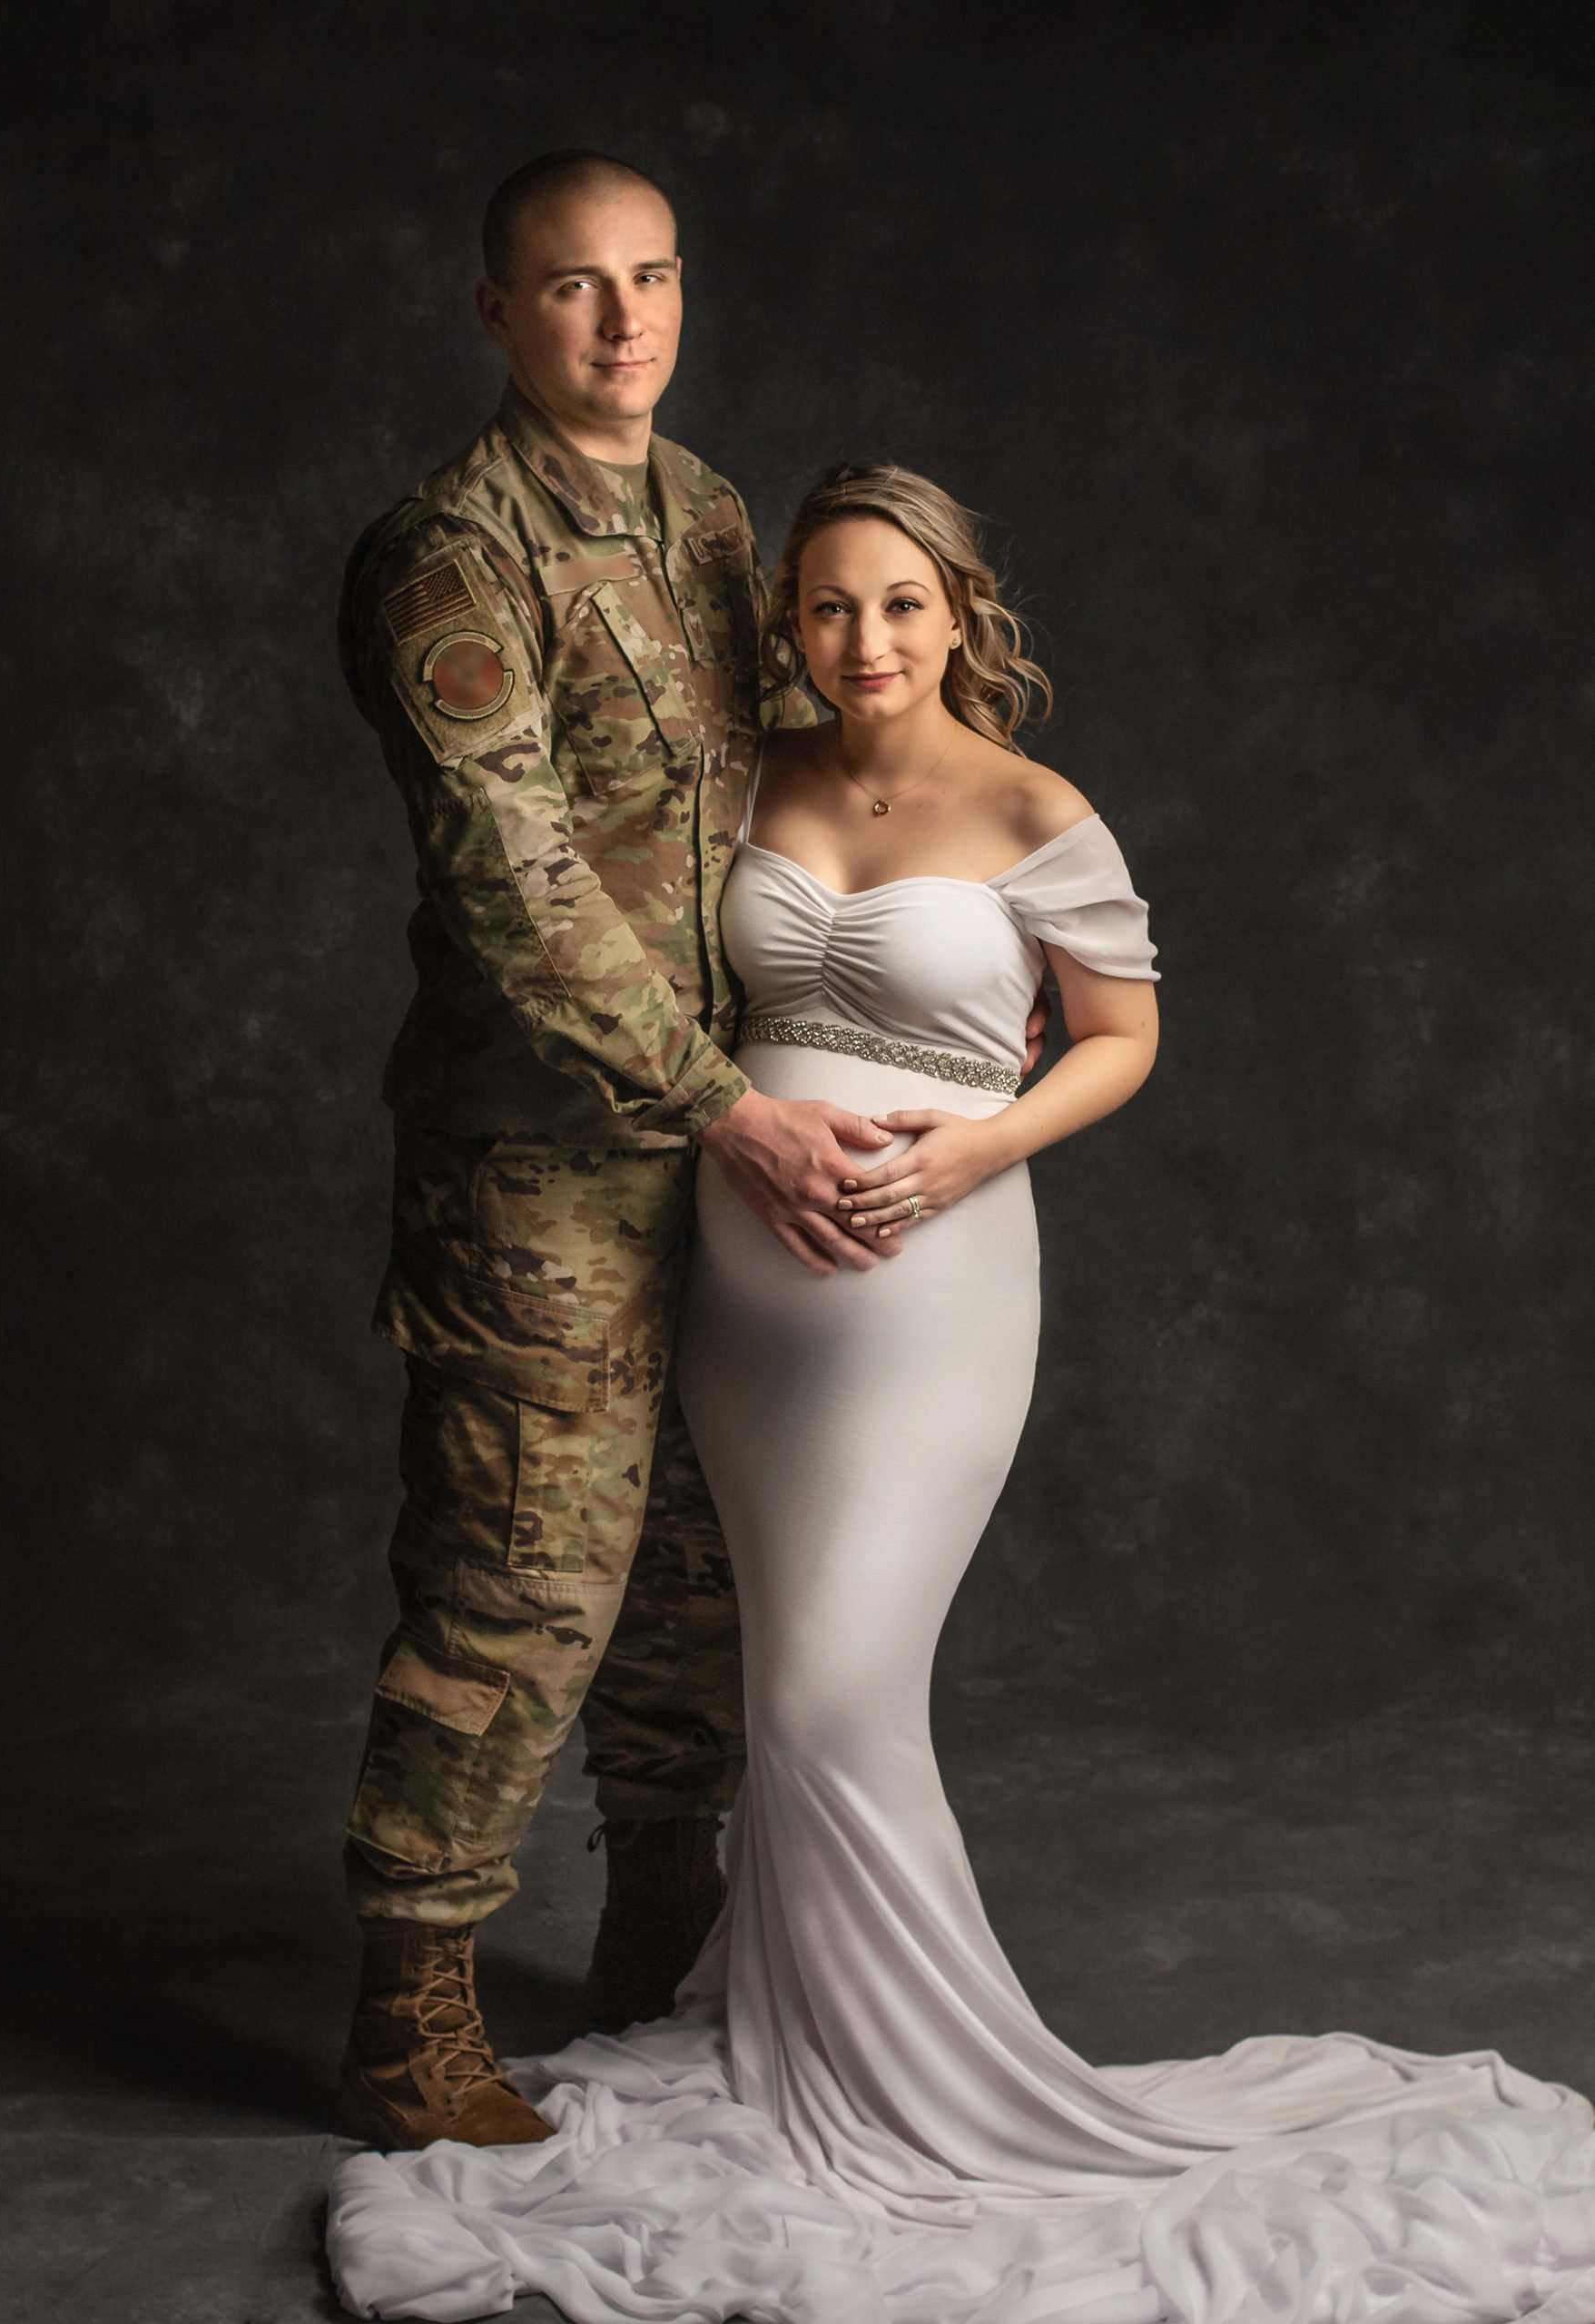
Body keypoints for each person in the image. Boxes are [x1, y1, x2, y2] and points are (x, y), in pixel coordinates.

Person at [328, 466, 1595, 2323]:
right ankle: (793, 2036)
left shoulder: (1028, 804)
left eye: (899, 604)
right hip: (741, 1288)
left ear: (958, 609)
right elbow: (627, 955)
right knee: (773, 1669)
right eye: (827, 606)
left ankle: (941, 2097)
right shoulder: (739, 779)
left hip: (932, 1278)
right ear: (789, 624)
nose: (863, 641)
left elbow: (1123, 1034)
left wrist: (970, 1147)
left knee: (844, 1683)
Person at [334, 151, 1051, 2152]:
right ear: (498, 312)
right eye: (574, 287)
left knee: (694, 1573)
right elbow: (521, 887)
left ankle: (664, 1925)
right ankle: (409, 2005)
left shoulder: (712, 513)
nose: (622, 319)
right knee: (520, 1572)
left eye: (649, 278)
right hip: (545, 1160)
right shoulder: (447, 561)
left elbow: (807, 763)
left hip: (734, 1139)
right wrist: (734, 1098)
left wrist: (963, 909)